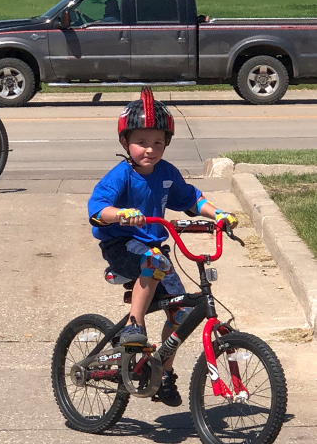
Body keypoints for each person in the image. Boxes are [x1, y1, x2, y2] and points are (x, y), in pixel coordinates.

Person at [87, 87, 237, 407]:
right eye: (142, 142)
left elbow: (191, 199)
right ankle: (133, 325)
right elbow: (97, 210)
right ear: (125, 142)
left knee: (182, 313)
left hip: (155, 251)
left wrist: (218, 215)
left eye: (158, 142)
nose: (150, 150)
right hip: (121, 245)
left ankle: (163, 372)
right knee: (155, 260)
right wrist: (121, 214)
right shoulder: (121, 175)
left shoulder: (167, 173)